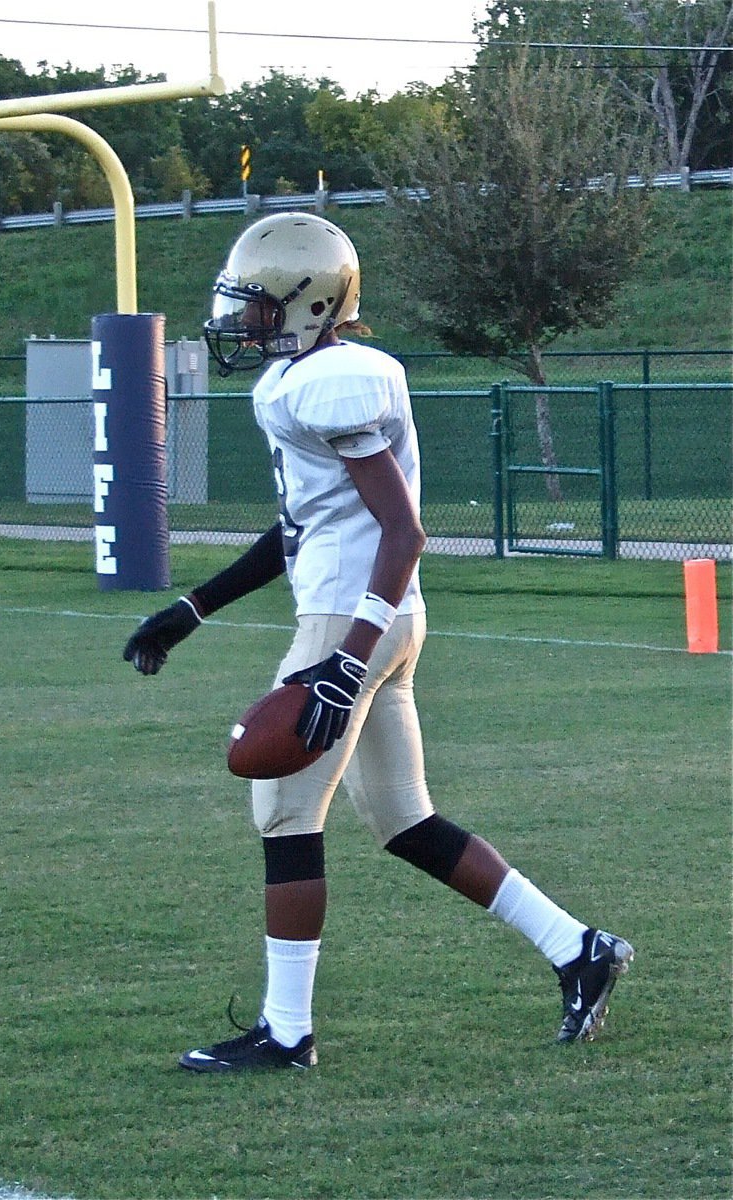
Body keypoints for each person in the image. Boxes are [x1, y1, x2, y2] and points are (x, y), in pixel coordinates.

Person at [122, 212, 634, 1072]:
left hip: (353, 618)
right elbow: (299, 528)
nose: (240, 324)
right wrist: (193, 607)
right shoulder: (305, 379)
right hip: (383, 618)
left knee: (284, 811)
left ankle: (287, 1034)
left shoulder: (335, 381)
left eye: (256, 307)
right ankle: (580, 949)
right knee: (404, 820)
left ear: (309, 301)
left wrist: (343, 661)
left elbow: (403, 531)